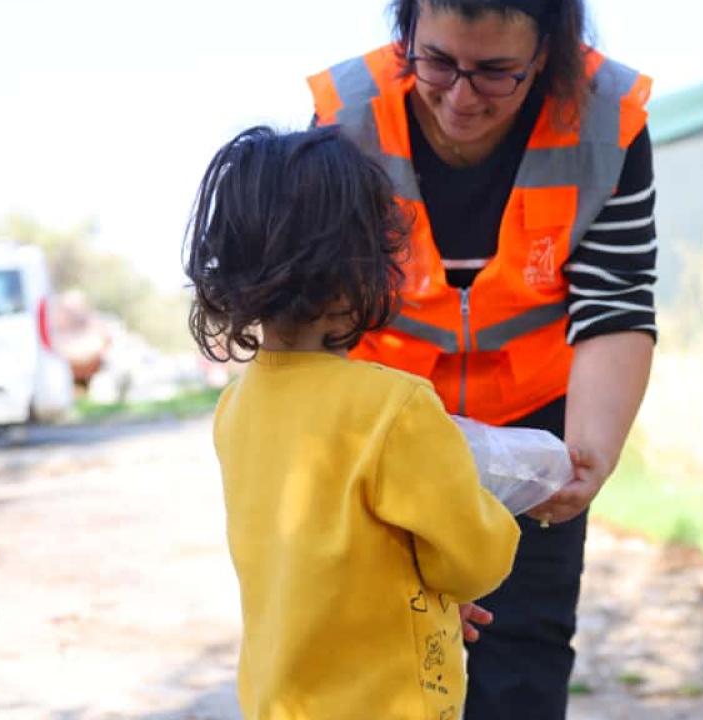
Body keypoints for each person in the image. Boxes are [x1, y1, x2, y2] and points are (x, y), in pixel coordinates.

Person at [307, 1, 657, 716]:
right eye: (437, 62)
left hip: (536, 430)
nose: (461, 97)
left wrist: (587, 455)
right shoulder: (346, 119)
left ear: (550, 53)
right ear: (406, 35)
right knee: (379, 642)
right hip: (385, 427)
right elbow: (313, 311)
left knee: (523, 648)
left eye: (496, 73)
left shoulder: (606, 119)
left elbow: (615, 300)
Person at [185, 125, 520, 718]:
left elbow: (322, 557)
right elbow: (469, 560)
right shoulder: (395, 409)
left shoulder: (235, 408)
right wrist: (491, 510)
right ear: (364, 264)